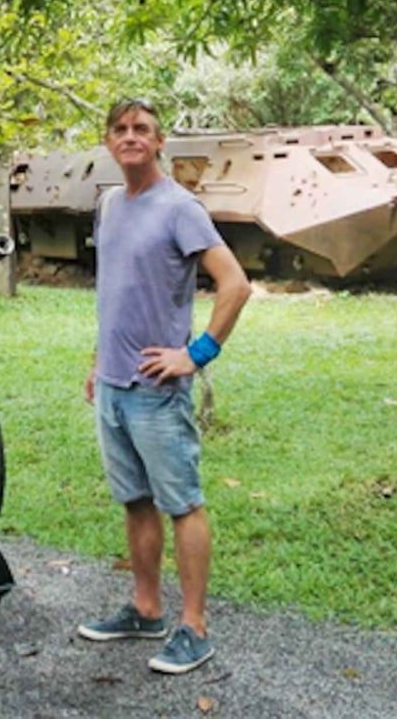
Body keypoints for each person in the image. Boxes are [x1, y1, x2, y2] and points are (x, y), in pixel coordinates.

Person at [75, 97, 251, 675]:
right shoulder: (107, 204)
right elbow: (116, 288)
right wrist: (100, 359)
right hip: (115, 387)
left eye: (142, 129)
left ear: (159, 142)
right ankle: (146, 608)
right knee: (135, 500)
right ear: (108, 141)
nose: (130, 137)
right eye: (120, 129)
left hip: (156, 388)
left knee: (183, 504)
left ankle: (194, 627)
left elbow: (235, 285)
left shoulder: (180, 208)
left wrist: (195, 354)